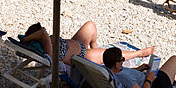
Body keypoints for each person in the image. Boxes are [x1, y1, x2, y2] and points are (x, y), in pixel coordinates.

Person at [19, 21, 154, 66]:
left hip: (78, 44)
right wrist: (26, 39)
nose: (47, 32)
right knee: (111, 54)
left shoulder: (47, 41)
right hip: (82, 57)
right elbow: (42, 32)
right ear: (39, 39)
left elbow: (43, 33)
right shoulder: (48, 49)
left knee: (90, 25)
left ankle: (97, 50)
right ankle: (140, 53)